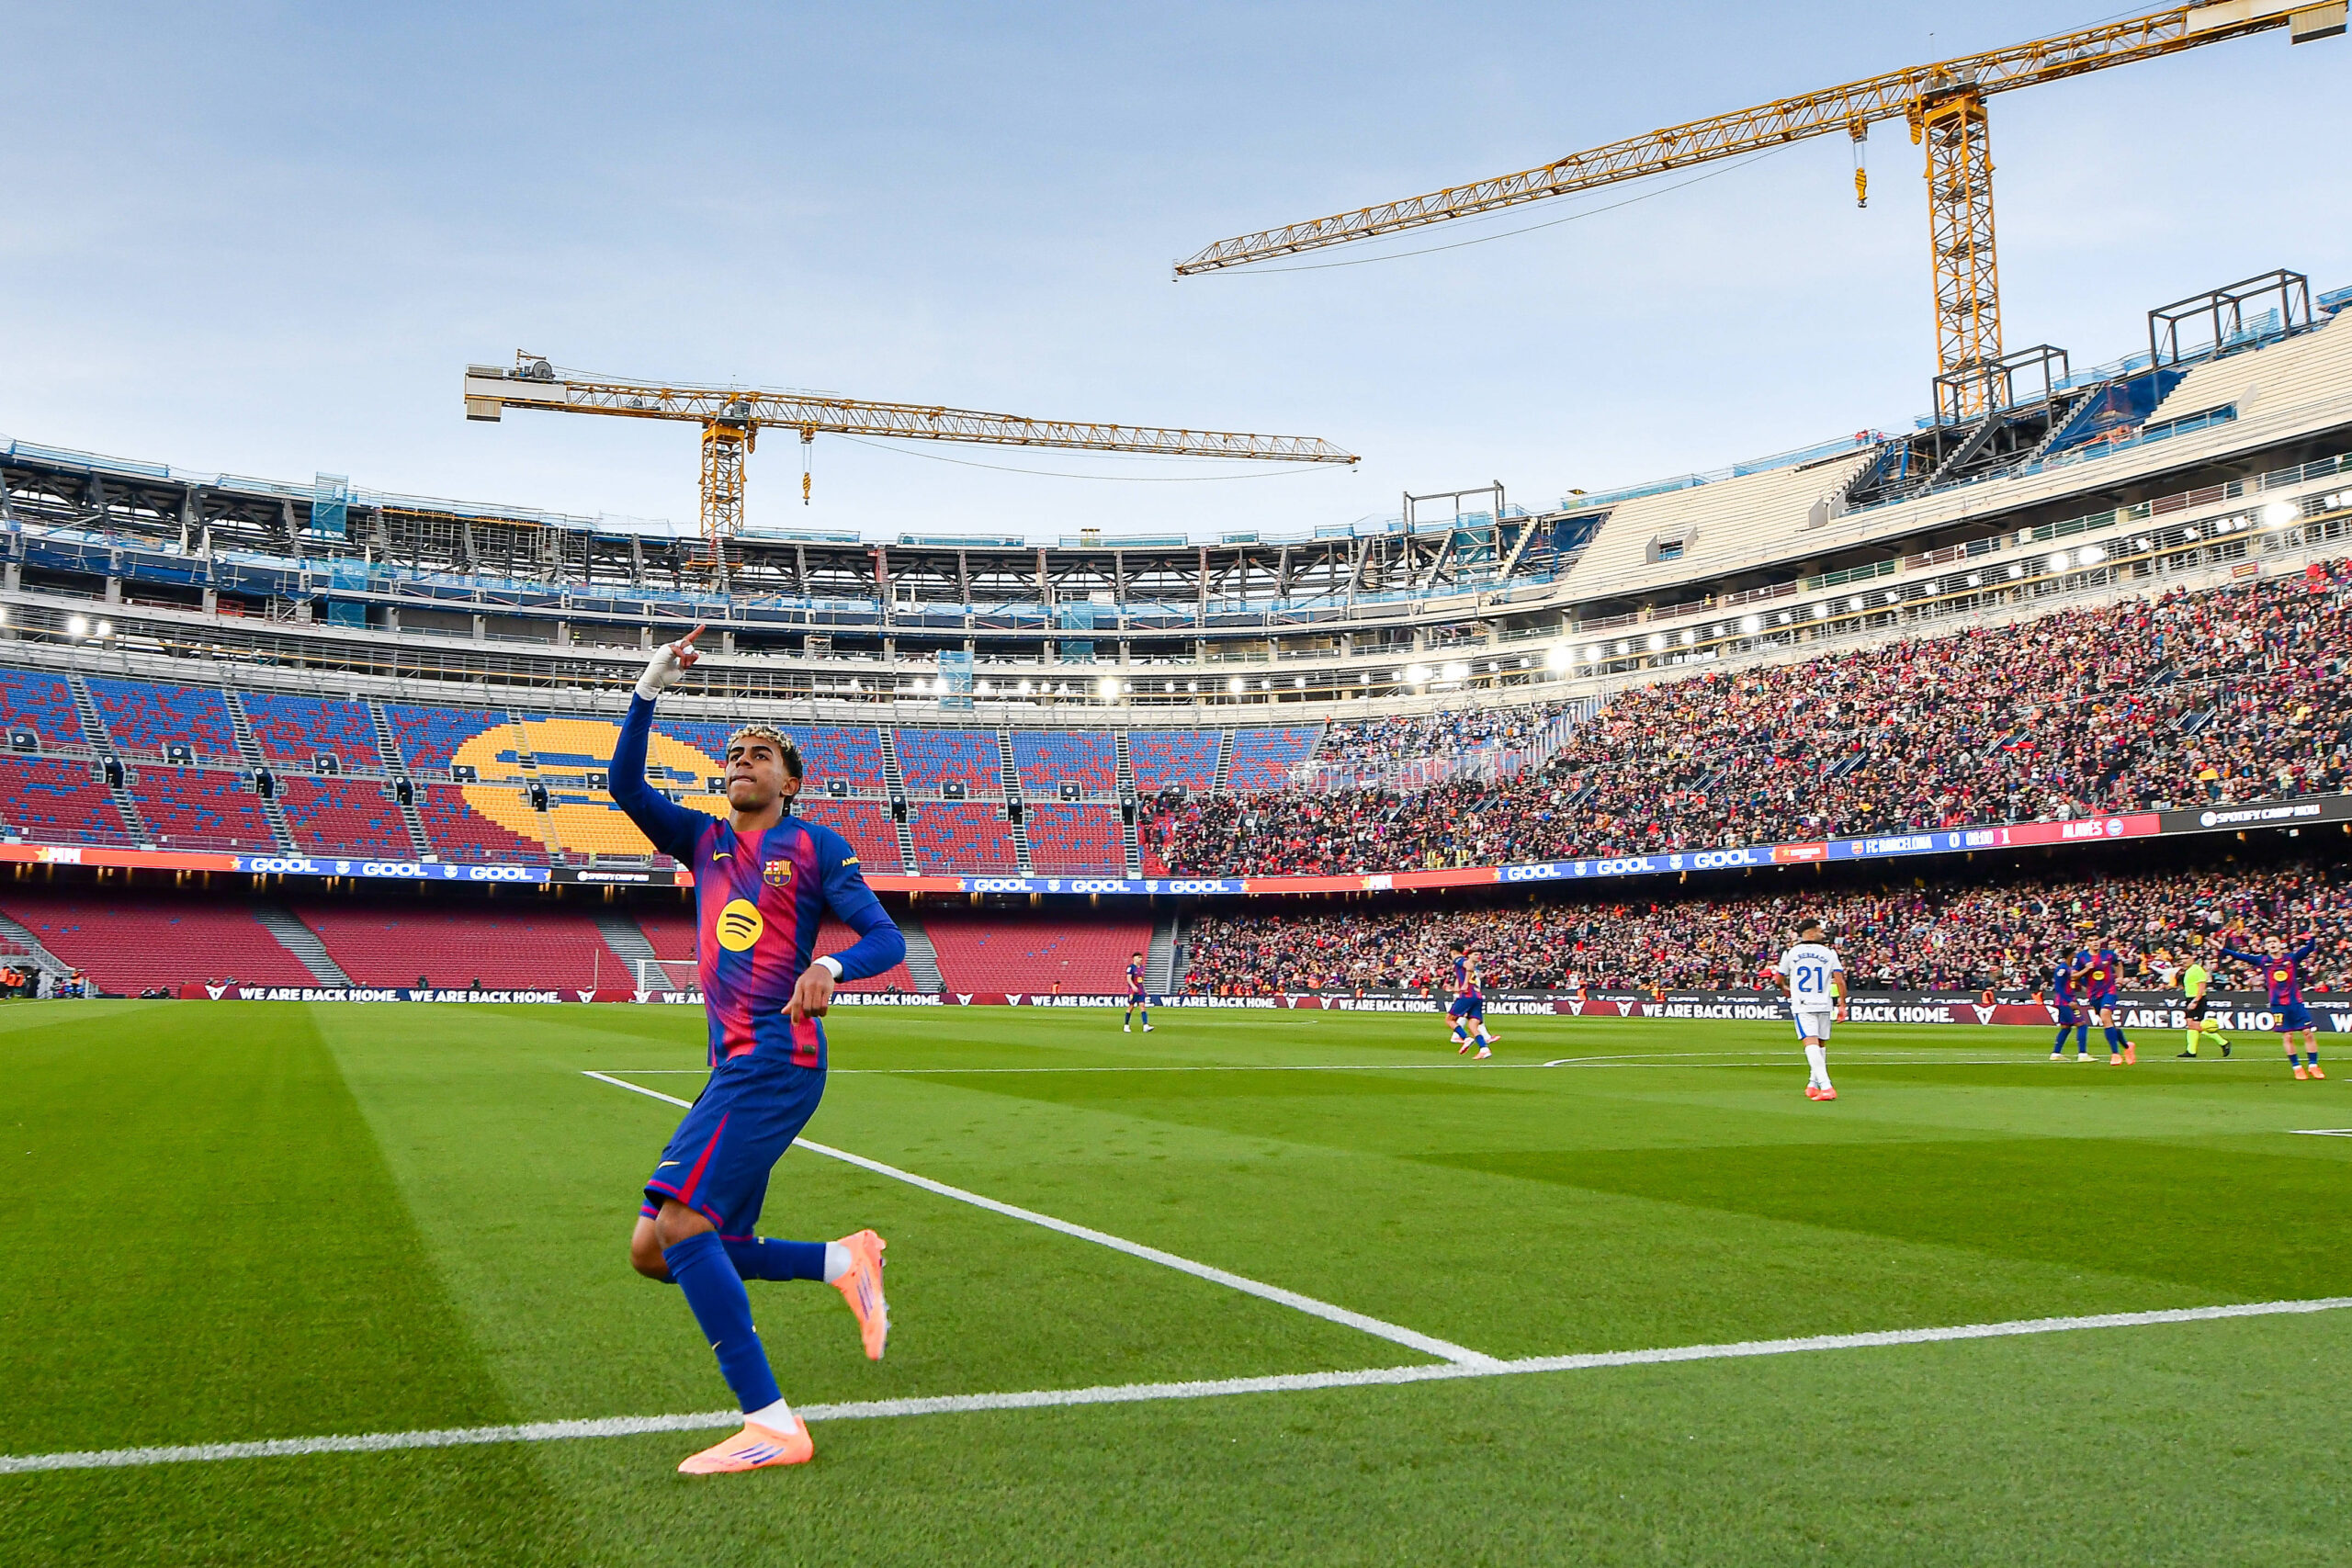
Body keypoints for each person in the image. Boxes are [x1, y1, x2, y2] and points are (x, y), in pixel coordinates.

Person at [609, 626, 907, 1474]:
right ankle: (843, 1260)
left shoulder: (815, 846)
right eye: (734, 751)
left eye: (760, 753)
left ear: (791, 780)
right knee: (651, 1250)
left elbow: (887, 940)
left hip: (779, 1057)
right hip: (731, 1066)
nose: (741, 759)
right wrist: (650, 684)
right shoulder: (703, 841)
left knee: (679, 1223)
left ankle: (772, 1422)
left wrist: (829, 963)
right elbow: (624, 784)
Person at [2219, 923, 2324, 1080]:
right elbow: (2240, 956)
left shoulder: (2291, 958)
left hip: (2296, 1002)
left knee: (2307, 1032)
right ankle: (2297, 1067)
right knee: (2287, 1036)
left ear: (2280, 943)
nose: (2272, 944)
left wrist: (2313, 937)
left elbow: (2308, 950)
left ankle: (2313, 1065)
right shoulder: (2263, 961)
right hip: (2277, 1005)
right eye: (2268, 943)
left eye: (2274, 941)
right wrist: (2222, 949)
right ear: (2266, 947)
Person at [1780, 918, 1845, 1101]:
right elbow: (1839, 980)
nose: (1822, 933)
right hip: (1824, 1004)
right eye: (1819, 930)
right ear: (1809, 932)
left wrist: (1784, 988)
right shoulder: (1829, 953)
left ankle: (1826, 1086)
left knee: (1810, 1044)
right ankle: (1812, 1083)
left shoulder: (1791, 952)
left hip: (1803, 1004)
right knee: (1821, 1044)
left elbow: (1778, 978)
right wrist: (1842, 1005)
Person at [2072, 931, 2134, 1066]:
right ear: (2086, 943)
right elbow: (2073, 976)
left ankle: (2115, 1054)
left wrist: (2120, 978)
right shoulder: (2081, 957)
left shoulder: (2108, 954)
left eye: (2096, 939)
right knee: (2109, 1023)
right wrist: (2085, 970)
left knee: (2106, 1016)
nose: (2095, 942)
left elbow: (2118, 965)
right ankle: (2128, 1047)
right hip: (2093, 995)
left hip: (2109, 991)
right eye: (2091, 940)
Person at [2176, 950, 2231, 1058]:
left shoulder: (2197, 969)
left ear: (2192, 958)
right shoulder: (2188, 970)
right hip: (2191, 998)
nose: (2184, 961)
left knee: (2193, 1024)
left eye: (2186, 958)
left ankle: (2222, 1042)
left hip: (2197, 999)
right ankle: (2191, 1051)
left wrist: (2195, 1001)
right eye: (2182, 959)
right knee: (2191, 1025)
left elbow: (2202, 986)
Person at [1447, 942, 1497, 1059]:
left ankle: (1465, 1038)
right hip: (1477, 995)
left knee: (1449, 1019)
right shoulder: (1464, 962)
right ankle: (1484, 1049)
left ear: (1452, 952)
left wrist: (1464, 985)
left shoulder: (1458, 959)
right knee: (1473, 1025)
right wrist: (1454, 988)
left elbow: (1469, 967)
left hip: (1467, 995)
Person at [2048, 955, 2093, 1061]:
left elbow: (2075, 982)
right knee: (2082, 1025)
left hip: (2064, 1001)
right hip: (2066, 1002)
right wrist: (2069, 1001)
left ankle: (2056, 1054)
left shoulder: (2070, 969)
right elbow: (2058, 987)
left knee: (2066, 1028)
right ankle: (2082, 1054)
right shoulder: (2063, 969)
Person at [1123, 951, 1152, 1033]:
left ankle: (1145, 1026)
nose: (1141, 959)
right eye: (1139, 957)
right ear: (1134, 958)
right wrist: (1133, 986)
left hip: (1140, 991)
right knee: (1131, 1007)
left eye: (1141, 957)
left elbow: (1141, 980)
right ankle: (1126, 1025)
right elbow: (1128, 978)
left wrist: (1144, 990)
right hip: (1133, 991)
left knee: (1142, 1006)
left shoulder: (1142, 968)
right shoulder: (1131, 968)